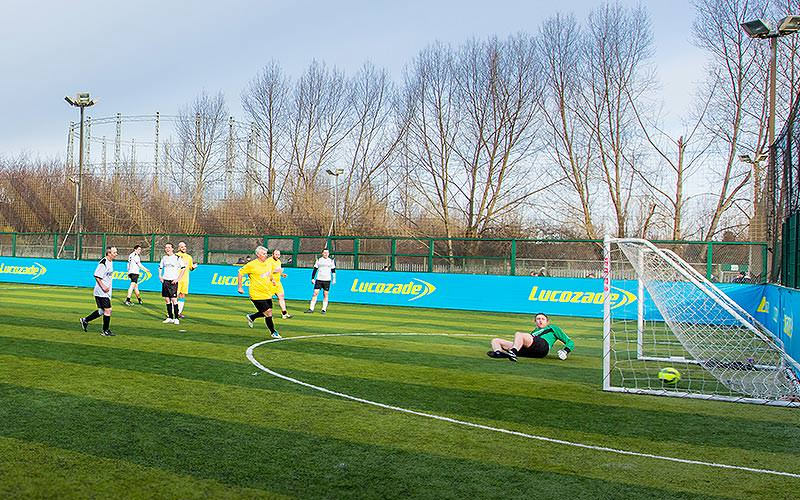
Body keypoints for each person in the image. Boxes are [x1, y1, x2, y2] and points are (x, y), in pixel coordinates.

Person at [488, 312, 574, 362]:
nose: (540, 321)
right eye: (538, 319)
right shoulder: (533, 332)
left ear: (547, 322)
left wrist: (565, 351)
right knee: (495, 341)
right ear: (535, 321)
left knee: (518, 334)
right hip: (531, 351)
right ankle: (499, 353)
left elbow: (570, 341)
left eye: (542, 319)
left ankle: (512, 352)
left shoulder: (552, 328)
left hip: (543, 346)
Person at [238, 246, 281, 338]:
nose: (265, 255)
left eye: (266, 254)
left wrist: (272, 280)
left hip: (267, 293)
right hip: (256, 294)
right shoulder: (252, 264)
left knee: (267, 313)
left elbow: (269, 273)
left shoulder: (268, 263)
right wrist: (240, 287)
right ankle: (273, 332)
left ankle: (252, 317)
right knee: (268, 312)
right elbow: (240, 272)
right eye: (263, 254)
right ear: (257, 255)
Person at [79, 246, 118, 336]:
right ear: (109, 253)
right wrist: (104, 287)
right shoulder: (103, 263)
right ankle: (105, 331)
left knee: (101, 311)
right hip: (101, 292)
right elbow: (96, 275)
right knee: (108, 310)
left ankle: (85, 320)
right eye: (114, 252)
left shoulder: (110, 262)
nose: (116, 254)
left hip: (105, 292)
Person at [159, 243, 186, 325]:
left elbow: (183, 268)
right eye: (166, 247)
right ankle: (170, 317)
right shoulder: (164, 258)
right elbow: (160, 267)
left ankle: (176, 318)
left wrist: (178, 279)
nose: (167, 249)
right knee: (167, 300)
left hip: (173, 281)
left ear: (172, 249)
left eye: (169, 247)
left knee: (174, 300)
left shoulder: (177, 258)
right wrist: (160, 276)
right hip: (165, 281)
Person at [305, 248, 336, 314]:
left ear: (329, 254)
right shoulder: (319, 260)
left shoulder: (331, 261)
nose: (326, 254)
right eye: (324, 253)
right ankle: (311, 308)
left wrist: (334, 279)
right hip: (319, 279)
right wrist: (312, 278)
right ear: (322, 253)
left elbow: (333, 270)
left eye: (327, 253)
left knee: (325, 294)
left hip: (327, 280)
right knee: (315, 293)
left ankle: (323, 309)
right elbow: (315, 269)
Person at [175, 241, 198, 318]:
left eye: (184, 246)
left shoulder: (189, 257)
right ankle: (171, 312)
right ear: (178, 248)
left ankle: (179, 312)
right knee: (175, 296)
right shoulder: (175, 256)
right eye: (182, 247)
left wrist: (194, 267)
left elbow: (190, 268)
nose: (184, 248)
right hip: (177, 278)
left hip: (185, 279)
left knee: (182, 295)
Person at [269, 249, 292, 319]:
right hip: (270, 282)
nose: (277, 256)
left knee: (281, 296)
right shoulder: (269, 261)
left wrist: (282, 274)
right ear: (272, 254)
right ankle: (267, 314)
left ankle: (284, 313)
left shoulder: (278, 261)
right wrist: (272, 279)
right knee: (268, 299)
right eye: (276, 254)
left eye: (278, 254)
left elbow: (278, 271)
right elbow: (267, 272)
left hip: (278, 282)